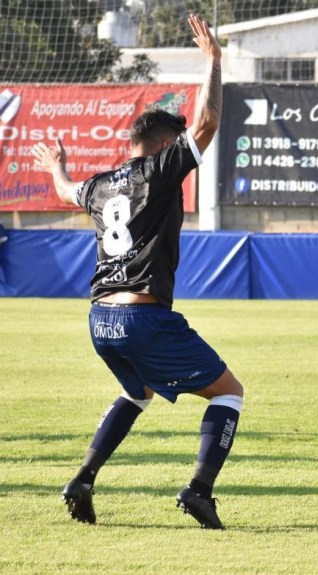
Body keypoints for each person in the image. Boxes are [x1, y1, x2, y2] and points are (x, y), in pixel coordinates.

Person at [31, 14, 241, 529]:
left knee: (137, 393)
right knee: (230, 393)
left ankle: (82, 478)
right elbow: (207, 123)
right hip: (142, 318)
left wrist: (56, 164)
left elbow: (65, 191)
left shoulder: (101, 185)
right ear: (167, 145)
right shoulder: (161, 168)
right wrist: (213, 61)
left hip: (100, 321)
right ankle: (198, 490)